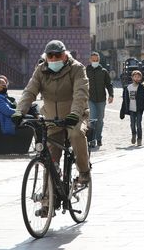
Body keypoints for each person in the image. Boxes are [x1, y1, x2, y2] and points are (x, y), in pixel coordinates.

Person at [13, 40, 91, 185]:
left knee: (76, 134)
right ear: (46, 57)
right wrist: (19, 111)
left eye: (58, 55)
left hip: (75, 116)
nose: (54, 59)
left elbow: (81, 93)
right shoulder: (40, 70)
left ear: (65, 55)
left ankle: (84, 170)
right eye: (50, 56)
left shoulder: (77, 68)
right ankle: (46, 203)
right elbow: (30, 91)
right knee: (50, 162)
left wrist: (74, 113)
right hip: (52, 119)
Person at [86, 52, 114, 148]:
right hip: (90, 99)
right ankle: (92, 139)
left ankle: (99, 138)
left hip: (101, 99)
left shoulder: (103, 71)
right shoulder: (86, 71)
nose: (95, 61)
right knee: (93, 119)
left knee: (100, 120)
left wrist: (111, 95)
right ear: (90, 60)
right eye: (93, 60)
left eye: (96, 60)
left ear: (99, 60)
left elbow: (109, 84)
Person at [119, 70, 144, 146]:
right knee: (132, 124)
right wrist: (122, 112)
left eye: (138, 77)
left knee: (139, 124)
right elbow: (124, 100)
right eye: (135, 76)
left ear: (140, 78)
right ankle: (133, 135)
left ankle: (139, 139)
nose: (136, 78)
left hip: (139, 109)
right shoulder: (128, 88)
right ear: (132, 77)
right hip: (131, 109)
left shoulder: (142, 88)